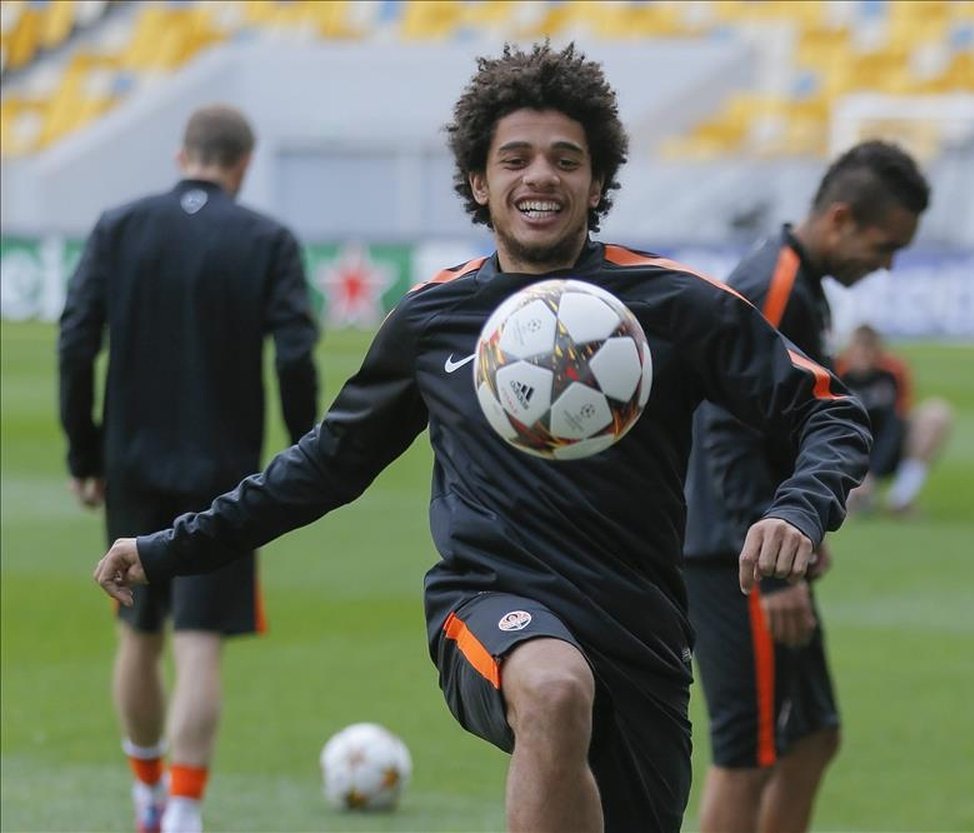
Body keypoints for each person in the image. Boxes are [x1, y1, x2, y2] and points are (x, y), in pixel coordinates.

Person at [93, 43, 871, 833]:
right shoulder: (432, 321)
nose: (541, 176)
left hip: (640, 632)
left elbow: (832, 411)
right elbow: (324, 465)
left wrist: (799, 509)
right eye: (516, 159)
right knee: (555, 688)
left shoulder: (673, 304)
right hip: (487, 606)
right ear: (479, 181)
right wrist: (168, 548)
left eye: (567, 160)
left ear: (597, 182)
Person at [59, 104, 319, 833]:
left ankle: (145, 794)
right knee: (200, 641)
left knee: (137, 634)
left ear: (183, 156)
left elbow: (76, 343)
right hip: (225, 471)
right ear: (242, 162)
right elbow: (295, 355)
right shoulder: (267, 238)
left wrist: (86, 452)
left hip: (131, 461)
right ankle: (184, 810)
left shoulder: (120, 225)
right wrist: (306, 452)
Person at [683, 140, 930, 833]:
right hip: (735, 557)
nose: (886, 264)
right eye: (885, 246)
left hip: (770, 547)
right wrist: (772, 575)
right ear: (842, 219)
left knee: (814, 735)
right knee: (750, 752)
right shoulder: (776, 286)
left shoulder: (801, 284)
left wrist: (803, 527)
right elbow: (724, 433)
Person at [836, 323, 953, 515]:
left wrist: (873, 473)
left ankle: (901, 499)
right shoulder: (836, 370)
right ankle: (843, 495)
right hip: (846, 449)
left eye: (869, 349)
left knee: (936, 414)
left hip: (888, 447)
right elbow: (834, 428)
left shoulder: (893, 371)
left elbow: (895, 424)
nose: (863, 357)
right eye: (859, 349)